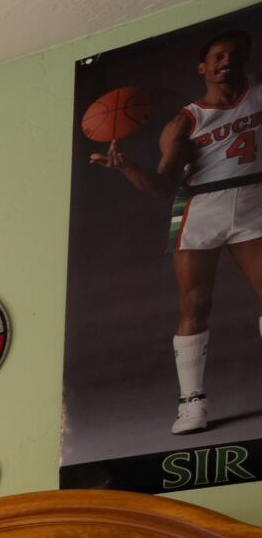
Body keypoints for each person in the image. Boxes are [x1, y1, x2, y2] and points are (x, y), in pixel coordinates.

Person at [102, 29, 262, 433]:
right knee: (195, 304)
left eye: (235, 55)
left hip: (254, 201)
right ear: (203, 68)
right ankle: (192, 405)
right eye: (219, 56)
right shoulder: (184, 123)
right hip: (199, 208)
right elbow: (162, 186)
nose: (227, 61)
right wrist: (127, 168)